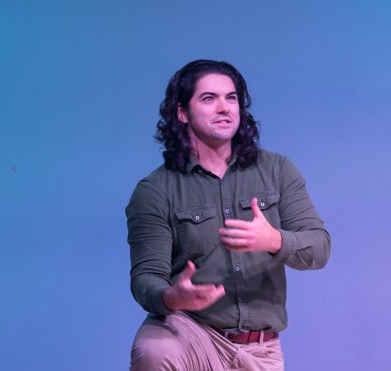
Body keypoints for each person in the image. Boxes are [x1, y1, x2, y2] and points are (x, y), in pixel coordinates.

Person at [126, 59, 330, 371]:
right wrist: (171, 297)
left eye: (231, 98)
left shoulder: (277, 170)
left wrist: (274, 240)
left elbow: (319, 248)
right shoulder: (156, 189)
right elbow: (145, 278)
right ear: (182, 113)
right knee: (154, 349)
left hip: (259, 350)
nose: (224, 108)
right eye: (209, 98)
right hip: (192, 334)